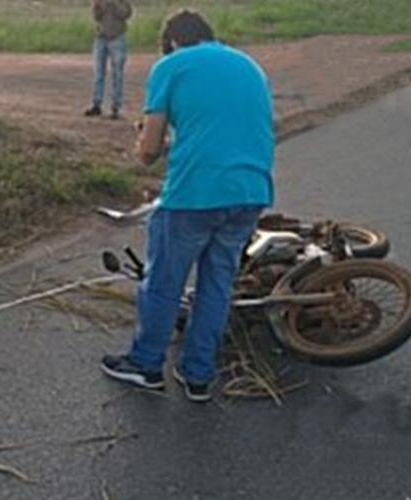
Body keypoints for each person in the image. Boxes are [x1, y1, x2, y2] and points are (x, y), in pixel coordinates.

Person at [100, 9, 276, 403]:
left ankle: (146, 365)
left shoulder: (171, 66)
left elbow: (147, 152)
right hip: (252, 189)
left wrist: (145, 140)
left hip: (196, 193)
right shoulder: (249, 65)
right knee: (217, 284)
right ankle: (198, 375)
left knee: (164, 281)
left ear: (173, 42)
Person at [85, 0, 132, 120]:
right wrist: (99, 5)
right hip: (101, 38)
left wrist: (114, 4)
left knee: (117, 74)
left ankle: (116, 106)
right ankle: (97, 104)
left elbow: (126, 14)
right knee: (98, 73)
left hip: (117, 37)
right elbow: (96, 17)